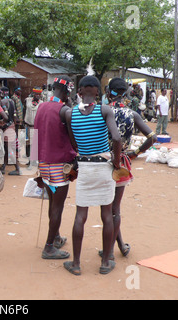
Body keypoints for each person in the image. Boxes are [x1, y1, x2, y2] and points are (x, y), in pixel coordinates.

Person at [63, 75, 122, 276]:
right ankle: (105, 263)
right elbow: (116, 137)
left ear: (79, 92)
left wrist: (83, 148)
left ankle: (76, 264)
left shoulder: (71, 114)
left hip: (85, 167)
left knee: (81, 216)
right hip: (104, 167)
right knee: (106, 215)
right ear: (98, 92)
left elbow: (73, 144)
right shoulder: (104, 110)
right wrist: (116, 161)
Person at [100, 77, 157, 261]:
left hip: (102, 162)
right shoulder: (132, 114)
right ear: (127, 93)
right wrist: (135, 152)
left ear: (108, 93)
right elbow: (152, 137)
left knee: (106, 210)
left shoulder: (102, 111)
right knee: (115, 210)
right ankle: (117, 247)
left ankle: (112, 249)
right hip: (122, 163)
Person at [33, 76, 76, 260]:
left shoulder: (41, 106)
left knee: (52, 202)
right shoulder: (64, 110)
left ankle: (56, 237)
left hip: (43, 163)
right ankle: (49, 246)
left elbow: (35, 135)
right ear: (67, 92)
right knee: (57, 206)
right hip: (58, 164)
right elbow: (73, 141)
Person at [0, 87, 21, 175]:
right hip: (11, 127)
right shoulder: (12, 101)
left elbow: (6, 116)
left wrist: (0, 123)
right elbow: (15, 116)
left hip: (6, 128)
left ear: (1, 93)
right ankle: (3, 166)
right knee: (6, 148)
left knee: (9, 148)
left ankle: (17, 169)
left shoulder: (2, 102)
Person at [24, 87, 43, 167]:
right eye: (36, 94)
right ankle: (30, 159)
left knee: (34, 144)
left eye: (39, 94)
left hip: (36, 127)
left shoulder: (41, 103)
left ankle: (34, 161)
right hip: (27, 125)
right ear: (33, 94)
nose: (37, 96)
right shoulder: (27, 100)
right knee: (28, 144)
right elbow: (24, 110)